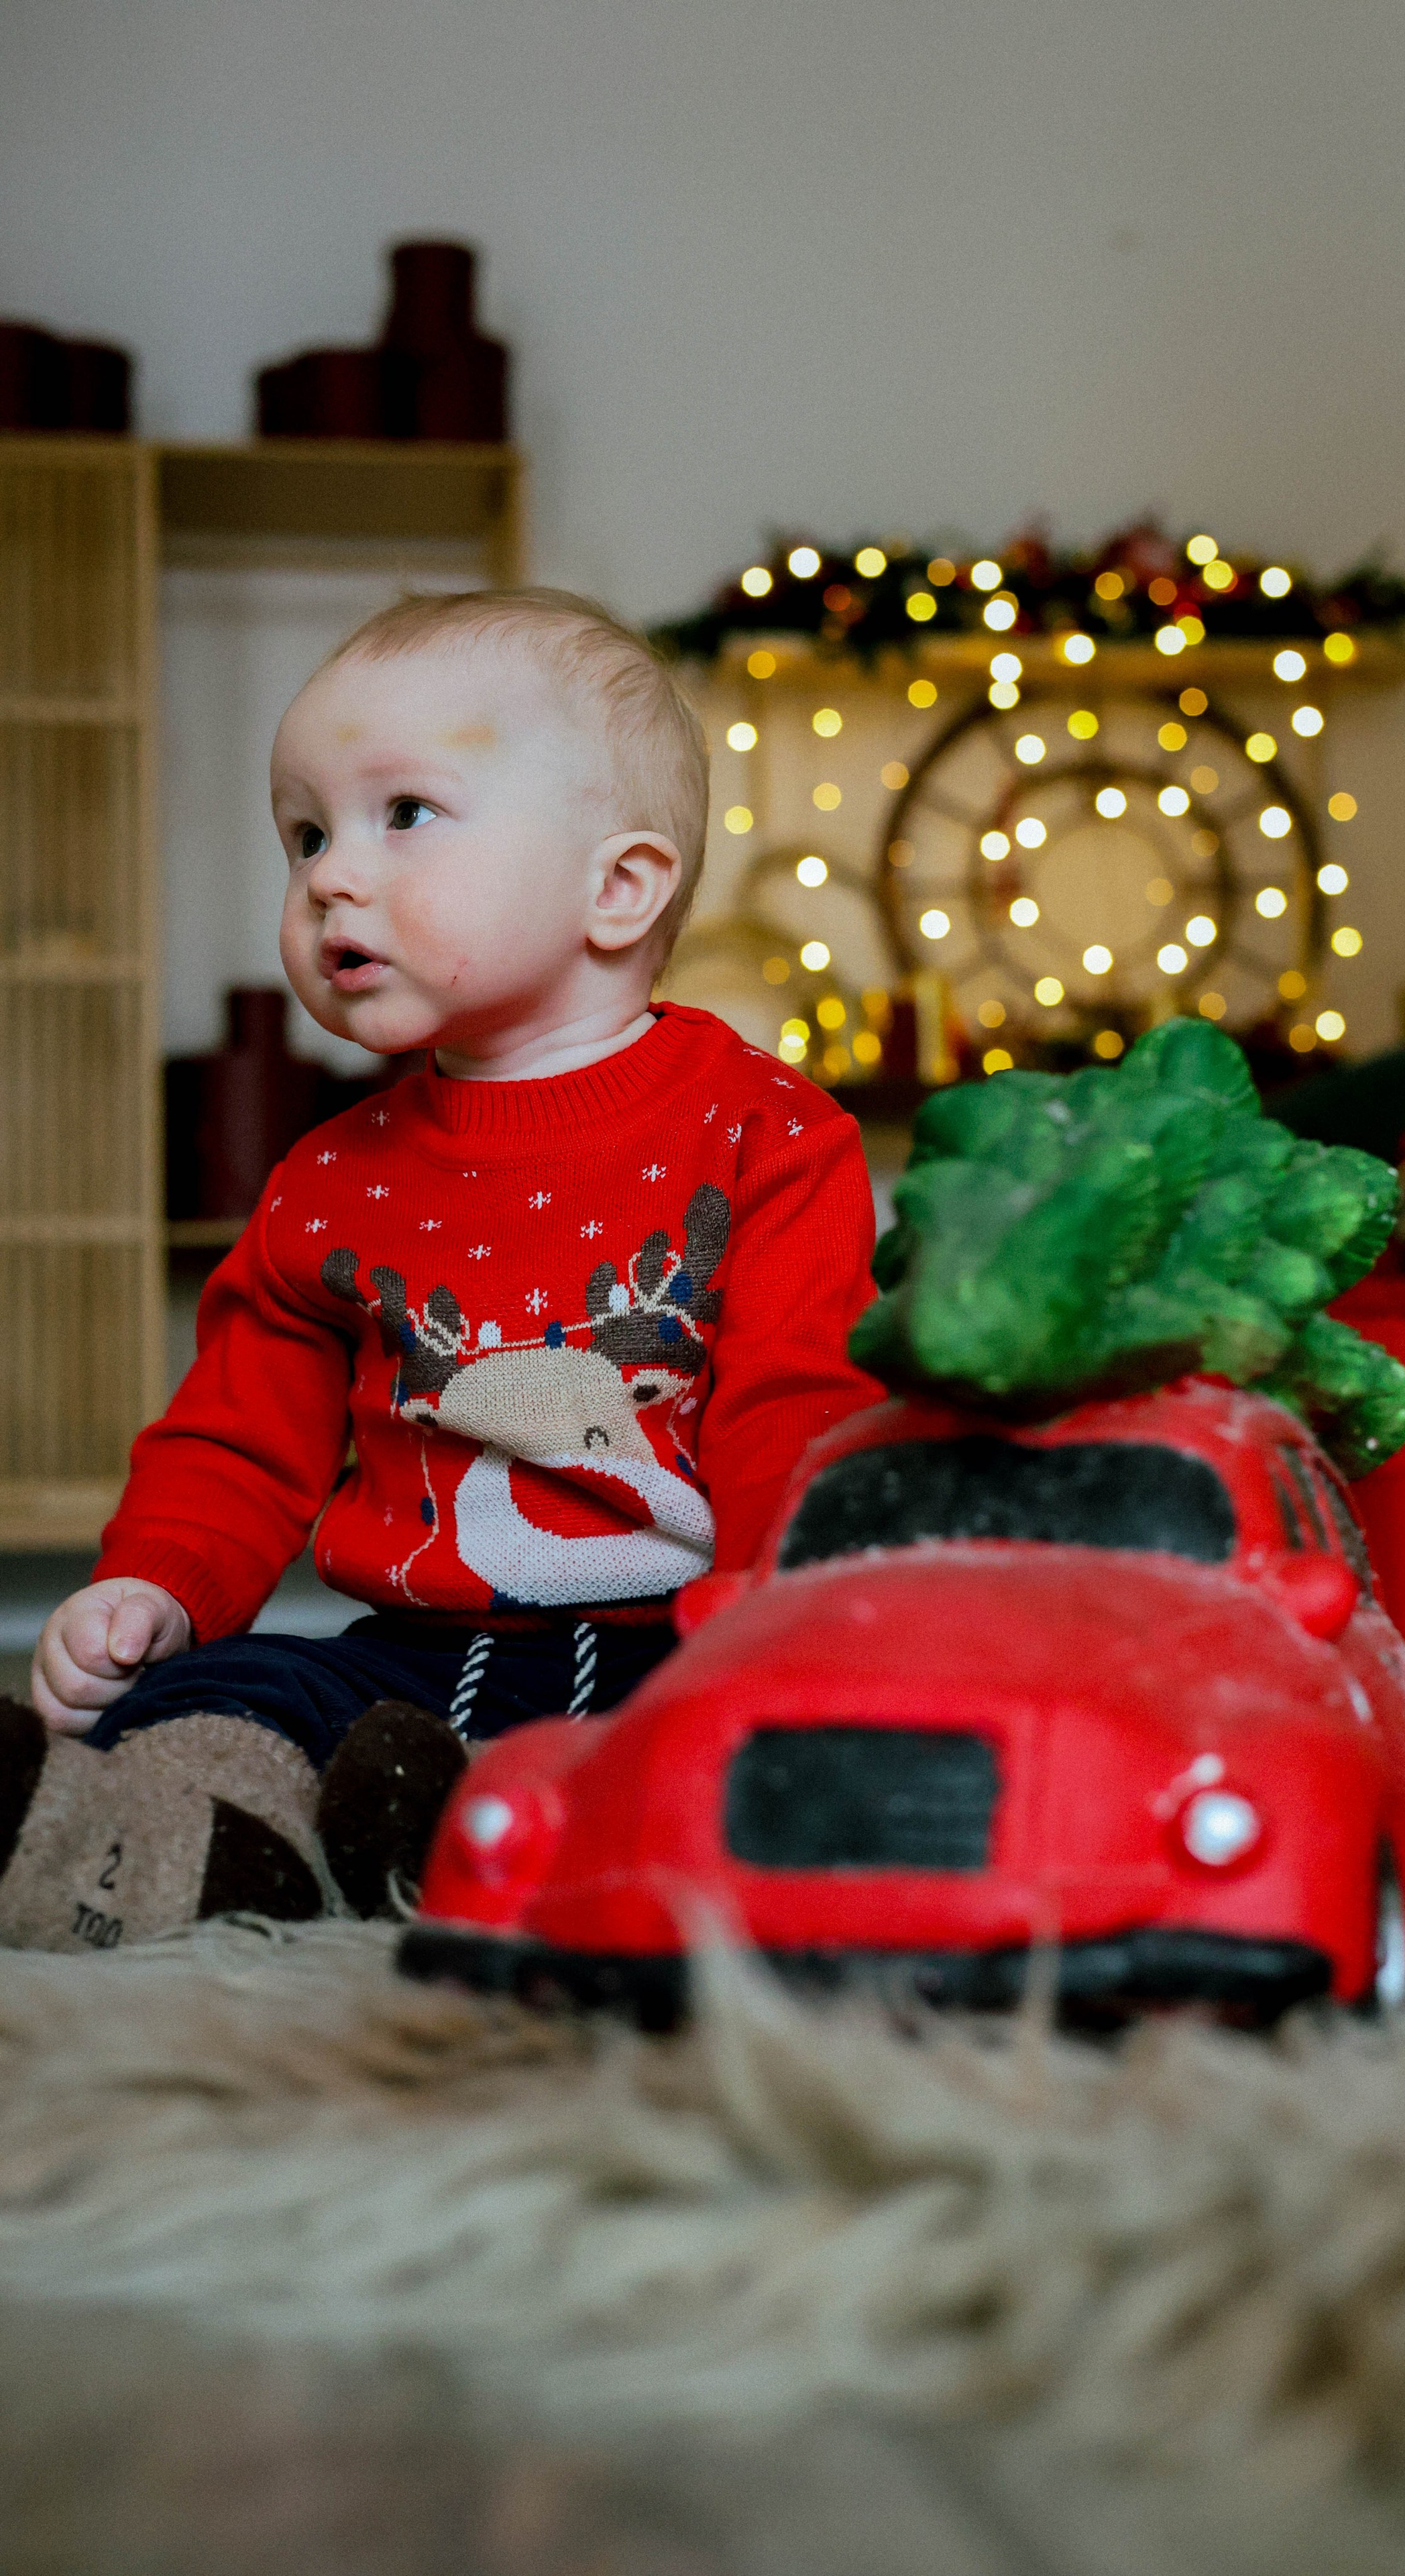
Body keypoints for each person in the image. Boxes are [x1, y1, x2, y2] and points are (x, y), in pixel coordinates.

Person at [0, 588, 881, 1951]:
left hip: (675, 1639)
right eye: (305, 835)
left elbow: (797, 1409)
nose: (327, 878)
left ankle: (520, 1835)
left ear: (618, 888)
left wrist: (789, 1630)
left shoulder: (766, 1133)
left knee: (748, 1756)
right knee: (226, 1694)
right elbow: (237, 1439)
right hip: (404, 1663)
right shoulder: (325, 1178)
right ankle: (167, 1841)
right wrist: (155, 1585)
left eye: (402, 814)